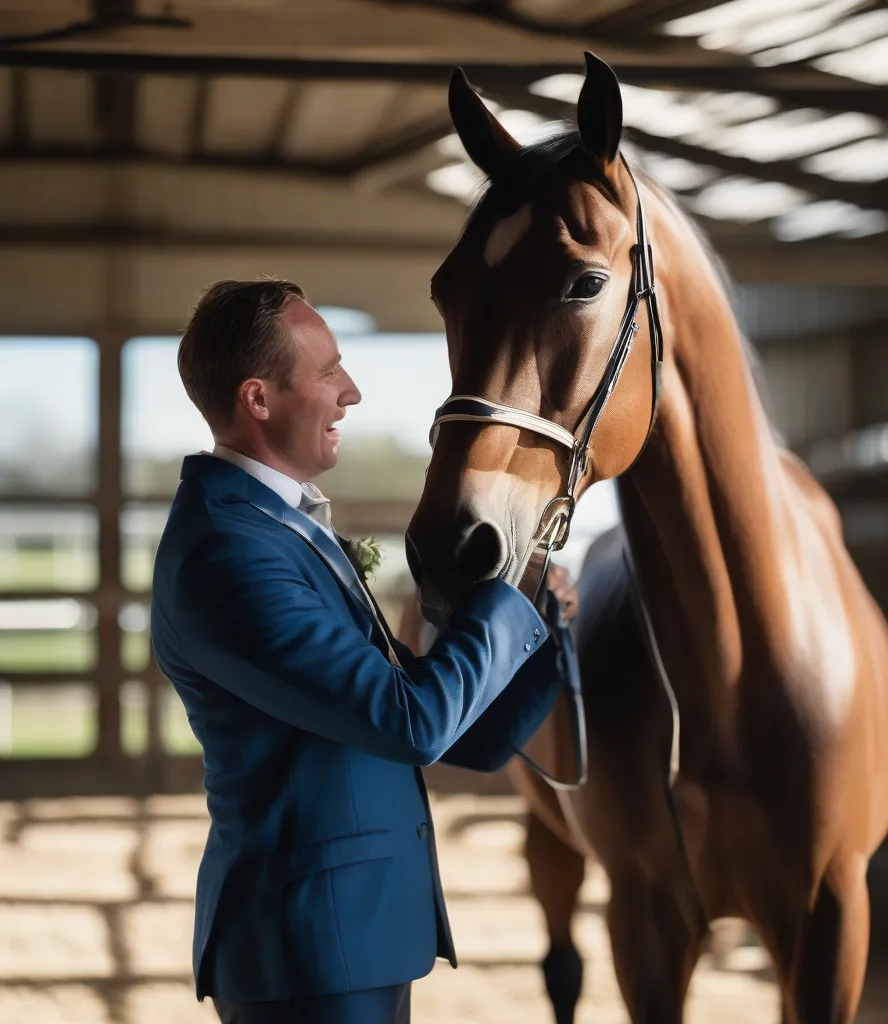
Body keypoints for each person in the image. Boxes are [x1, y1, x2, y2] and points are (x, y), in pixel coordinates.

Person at [149, 279, 579, 1024]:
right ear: (258, 399)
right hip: (308, 946)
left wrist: (541, 625)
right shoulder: (230, 553)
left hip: (347, 936)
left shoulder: (275, 531)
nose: (350, 392)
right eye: (328, 372)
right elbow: (408, 721)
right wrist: (502, 603)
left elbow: (453, 739)